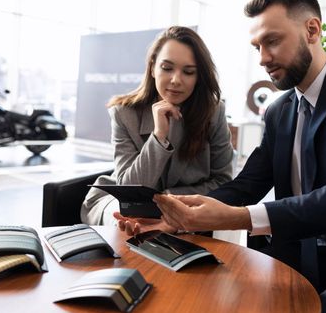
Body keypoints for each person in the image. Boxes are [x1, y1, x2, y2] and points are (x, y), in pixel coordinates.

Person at [115, 0, 326, 313]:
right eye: (257, 47)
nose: (263, 58)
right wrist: (174, 217)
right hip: (299, 255)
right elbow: (247, 185)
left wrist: (238, 218)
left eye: (272, 41)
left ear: (312, 30)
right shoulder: (280, 111)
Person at [81, 26, 233, 226]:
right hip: (120, 203)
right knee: (127, 221)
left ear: (198, 77)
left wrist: (168, 200)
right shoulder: (124, 113)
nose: (176, 80)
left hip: (182, 207)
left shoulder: (213, 112)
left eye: (188, 72)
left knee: (150, 226)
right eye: (167, 68)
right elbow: (128, 189)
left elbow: (224, 182)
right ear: (153, 68)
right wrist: (159, 136)